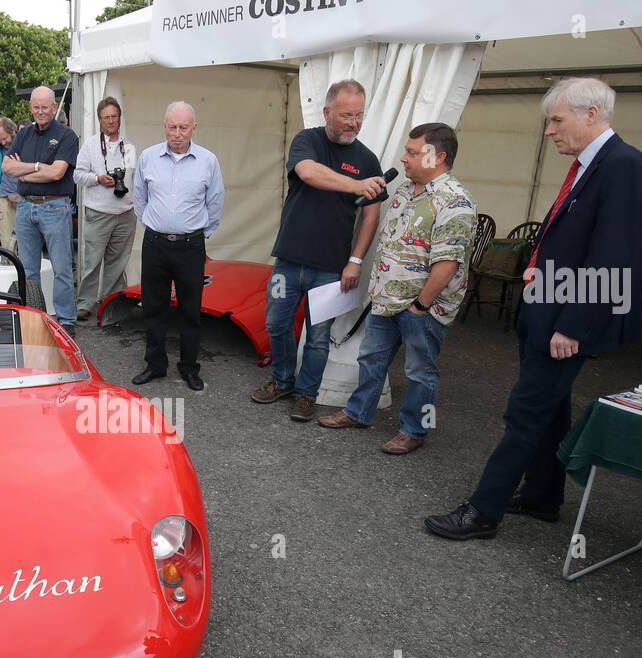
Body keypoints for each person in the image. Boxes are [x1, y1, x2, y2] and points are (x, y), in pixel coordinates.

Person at [424, 77, 642, 540]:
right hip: (548, 306)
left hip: (568, 317)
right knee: (551, 406)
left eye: (556, 119)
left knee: (525, 412)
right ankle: (543, 495)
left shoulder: (624, 164)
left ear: (591, 114)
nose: (549, 131)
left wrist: (574, 325)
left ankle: (483, 512)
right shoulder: (592, 163)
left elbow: (614, 254)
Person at [318, 122, 477, 454]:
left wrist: (420, 305)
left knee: (421, 372)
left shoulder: (455, 201)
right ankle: (359, 413)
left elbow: (448, 263)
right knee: (370, 359)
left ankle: (415, 430)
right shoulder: (406, 189)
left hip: (422, 307)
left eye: (413, 152)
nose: (403, 158)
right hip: (385, 298)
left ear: (439, 157)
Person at [249, 80, 386, 420]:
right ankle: (282, 380)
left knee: (319, 336)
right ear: (327, 112)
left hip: (331, 266)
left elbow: (372, 214)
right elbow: (308, 172)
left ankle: (307, 394)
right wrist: (355, 184)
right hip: (289, 261)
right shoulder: (306, 140)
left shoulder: (367, 159)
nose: (353, 122)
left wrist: (355, 261)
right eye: (346, 116)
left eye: (358, 115)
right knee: (276, 323)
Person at [130, 101, 225, 391]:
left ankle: (189, 368)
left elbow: (216, 203)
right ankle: (156, 365)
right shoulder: (148, 158)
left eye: (184, 127)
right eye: (172, 126)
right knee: (154, 307)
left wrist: (197, 234)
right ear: (164, 127)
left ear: (194, 128)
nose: (177, 133)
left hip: (190, 247)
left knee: (190, 309)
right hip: (155, 244)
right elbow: (139, 198)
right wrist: (157, 225)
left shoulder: (208, 161)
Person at [1, 86, 79, 331]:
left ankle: (66, 321)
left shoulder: (67, 135)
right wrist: (38, 168)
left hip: (55, 207)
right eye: (36, 107)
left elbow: (57, 172)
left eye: (45, 107)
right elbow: (7, 168)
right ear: (31, 108)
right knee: (28, 270)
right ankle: (33, 318)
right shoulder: (23, 135)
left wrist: (26, 170)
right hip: (26, 208)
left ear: (54, 108)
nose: (41, 111)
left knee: (62, 268)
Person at [73, 96, 137, 322]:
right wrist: (98, 179)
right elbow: (77, 175)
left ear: (119, 118)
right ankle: (85, 303)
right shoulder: (90, 144)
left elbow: (133, 178)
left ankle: (111, 303)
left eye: (114, 116)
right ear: (99, 120)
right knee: (92, 261)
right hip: (98, 214)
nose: (110, 121)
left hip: (125, 214)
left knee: (117, 262)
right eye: (106, 117)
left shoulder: (128, 147)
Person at [0, 117, 19, 252]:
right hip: (4, 198)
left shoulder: (26, 144)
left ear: (13, 131)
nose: (3, 142)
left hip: (25, 198)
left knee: (27, 241)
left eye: (5, 138)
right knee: (7, 243)